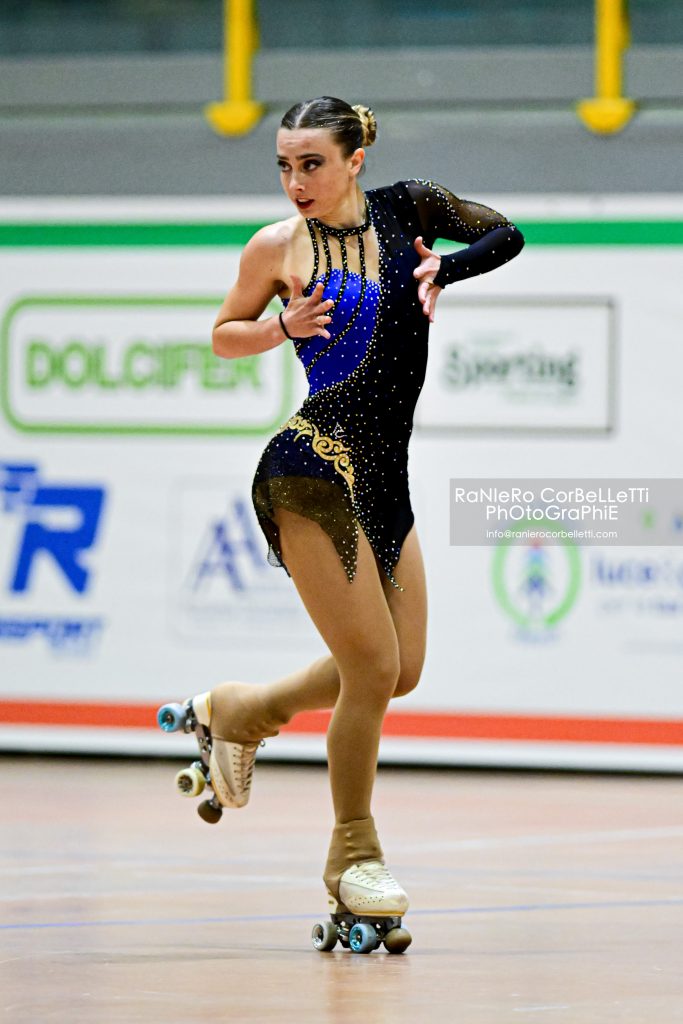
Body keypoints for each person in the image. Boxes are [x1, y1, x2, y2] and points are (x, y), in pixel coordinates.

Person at [188, 96, 524, 927]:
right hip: (309, 470)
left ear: (353, 161)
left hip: (383, 480)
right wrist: (279, 327)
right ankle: (353, 857)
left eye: (311, 163)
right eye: (283, 165)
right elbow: (223, 332)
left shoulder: (409, 208)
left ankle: (241, 712)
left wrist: (444, 271)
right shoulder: (277, 247)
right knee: (370, 671)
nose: (295, 181)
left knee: (399, 669)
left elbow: (505, 235)